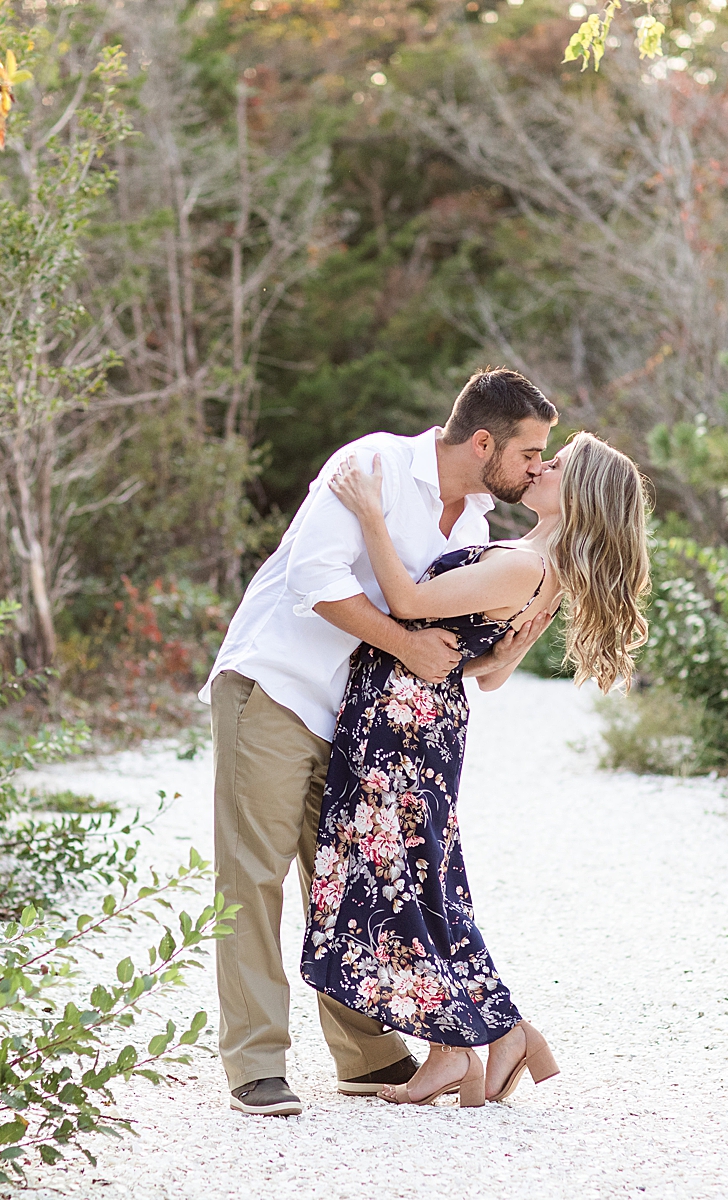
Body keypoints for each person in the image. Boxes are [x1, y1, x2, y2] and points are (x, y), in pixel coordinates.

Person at [202, 368, 558, 1116]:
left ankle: (368, 1056)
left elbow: (450, 633)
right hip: (279, 685)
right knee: (253, 876)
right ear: (484, 441)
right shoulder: (373, 467)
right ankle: (256, 1062)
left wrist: (503, 646)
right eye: (529, 452)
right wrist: (405, 642)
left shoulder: (472, 525)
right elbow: (315, 579)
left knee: (344, 876)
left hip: (366, 720)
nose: (535, 469)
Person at [300, 431, 651, 1106]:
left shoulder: (526, 566)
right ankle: (498, 1034)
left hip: (404, 724)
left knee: (403, 884)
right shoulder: (541, 565)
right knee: (424, 882)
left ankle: (459, 1046)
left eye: (556, 465)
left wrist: (370, 514)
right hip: (421, 715)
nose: (541, 468)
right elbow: (486, 675)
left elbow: (403, 602)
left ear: (577, 495)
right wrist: (498, 653)